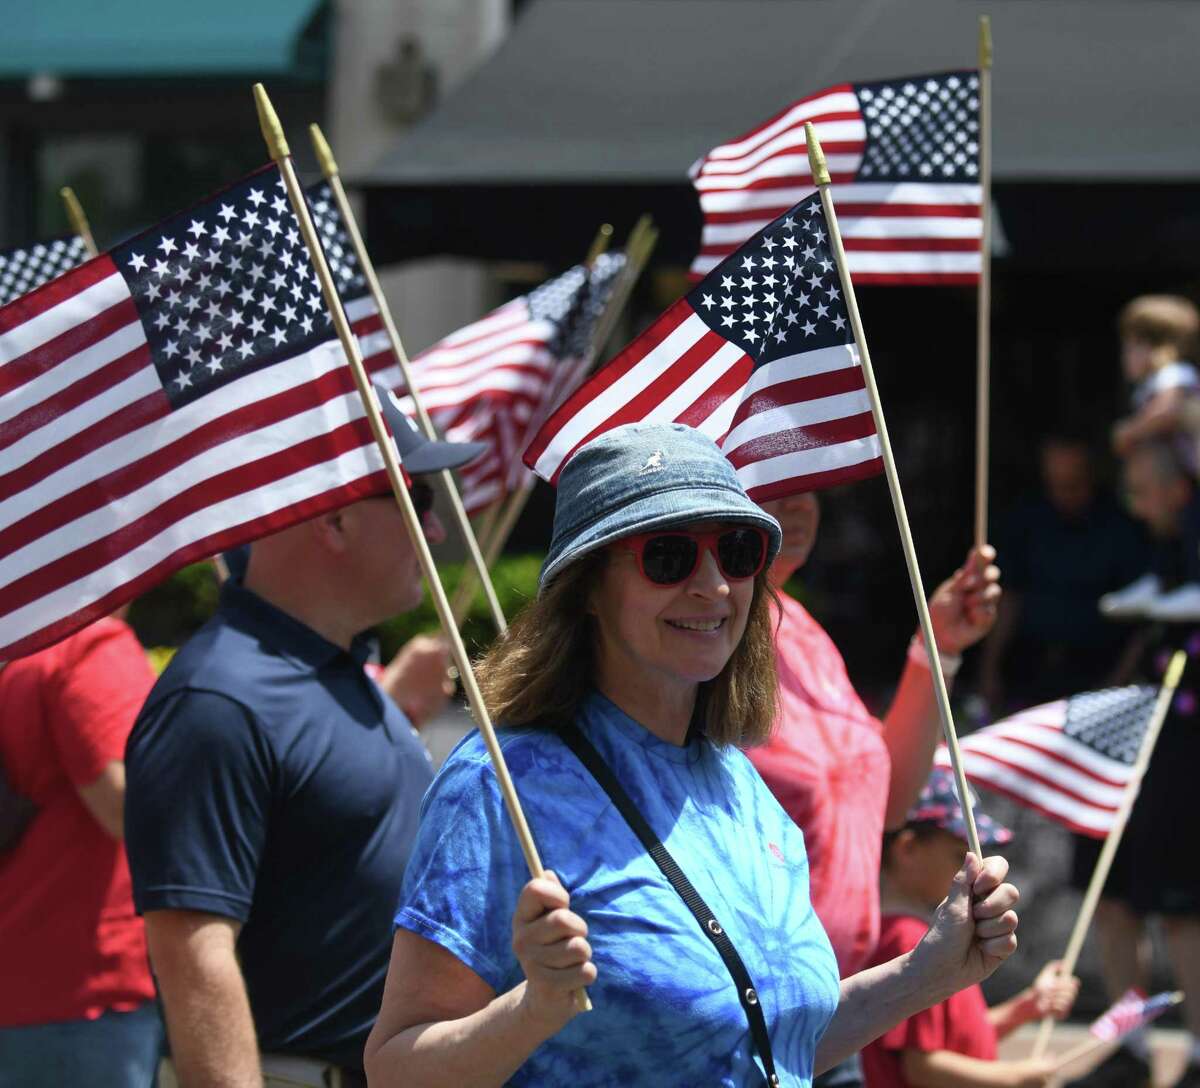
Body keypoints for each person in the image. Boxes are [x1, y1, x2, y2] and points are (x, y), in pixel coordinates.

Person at [365, 422, 1022, 1087]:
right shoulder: (499, 782)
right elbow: (396, 1068)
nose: (713, 586)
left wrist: (926, 975)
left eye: (736, 552)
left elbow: (768, 1048)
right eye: (669, 556)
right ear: (589, 588)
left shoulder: (743, 784)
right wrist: (533, 1008)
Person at [124, 396, 485, 1088]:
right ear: (337, 517)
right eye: (415, 498)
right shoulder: (219, 699)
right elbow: (193, 955)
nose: (435, 529)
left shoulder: (332, 671)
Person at [747, 489, 1000, 1088]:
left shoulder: (803, 630)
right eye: (776, 481)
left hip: (839, 1011)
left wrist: (935, 648)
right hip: (751, 1016)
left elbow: (882, 804)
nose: (800, 502)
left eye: (810, 485)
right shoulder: (705, 642)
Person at [1064, 441, 1200, 1088]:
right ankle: (1131, 1043)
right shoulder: (1150, 543)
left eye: (1145, 491)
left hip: (1182, 751)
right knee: (1110, 899)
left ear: (1179, 489)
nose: (1135, 506)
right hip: (1118, 740)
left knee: (1181, 910)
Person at [0, 612, 162, 1088]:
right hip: (90, 994)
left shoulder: (22, 650)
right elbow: (127, 808)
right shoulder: (90, 644)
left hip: (27, 988)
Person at [861, 768, 1080, 1088]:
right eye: (957, 856)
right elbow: (923, 1067)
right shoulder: (908, 939)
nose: (975, 869)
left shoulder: (914, 934)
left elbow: (955, 1040)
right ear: (908, 849)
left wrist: (1024, 1009)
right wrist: (1016, 1076)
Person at [980, 433, 1148, 711]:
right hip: (1029, 672)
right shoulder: (1028, 519)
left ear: (1092, 475)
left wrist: (1116, 684)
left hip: (1096, 676)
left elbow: (1143, 621)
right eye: (1055, 484)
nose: (1063, 494)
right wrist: (989, 671)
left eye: (1073, 484)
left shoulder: (1122, 529)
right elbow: (1009, 596)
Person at [1103, 294, 1200, 620]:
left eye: (1131, 346)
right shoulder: (1155, 382)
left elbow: (1168, 411)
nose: (1125, 357)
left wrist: (1129, 432)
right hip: (1173, 484)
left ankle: (1194, 584)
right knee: (1165, 532)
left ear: (1156, 347)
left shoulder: (1174, 376)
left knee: (1190, 528)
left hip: (1189, 477)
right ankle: (1161, 581)